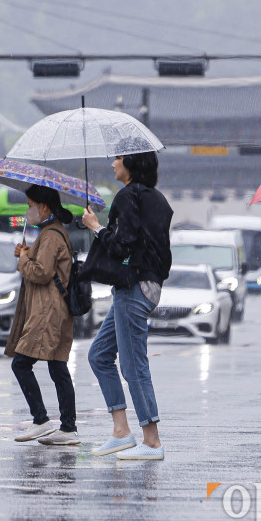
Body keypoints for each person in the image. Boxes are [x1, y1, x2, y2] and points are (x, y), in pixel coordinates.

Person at [82, 152, 172, 460]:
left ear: (132, 163)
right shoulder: (156, 199)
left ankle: (152, 442)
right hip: (146, 285)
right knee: (99, 355)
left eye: (117, 158)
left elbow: (122, 246)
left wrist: (96, 227)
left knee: (133, 364)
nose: (112, 164)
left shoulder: (128, 196)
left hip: (133, 287)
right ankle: (121, 432)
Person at [6, 186, 79, 446]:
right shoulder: (53, 232)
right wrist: (25, 254)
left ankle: (41, 420)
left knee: (21, 363)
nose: (27, 211)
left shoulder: (50, 235)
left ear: (44, 207)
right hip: (58, 309)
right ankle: (68, 428)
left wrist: (23, 260)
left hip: (48, 310)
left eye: (30, 205)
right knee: (58, 366)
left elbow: (41, 273)